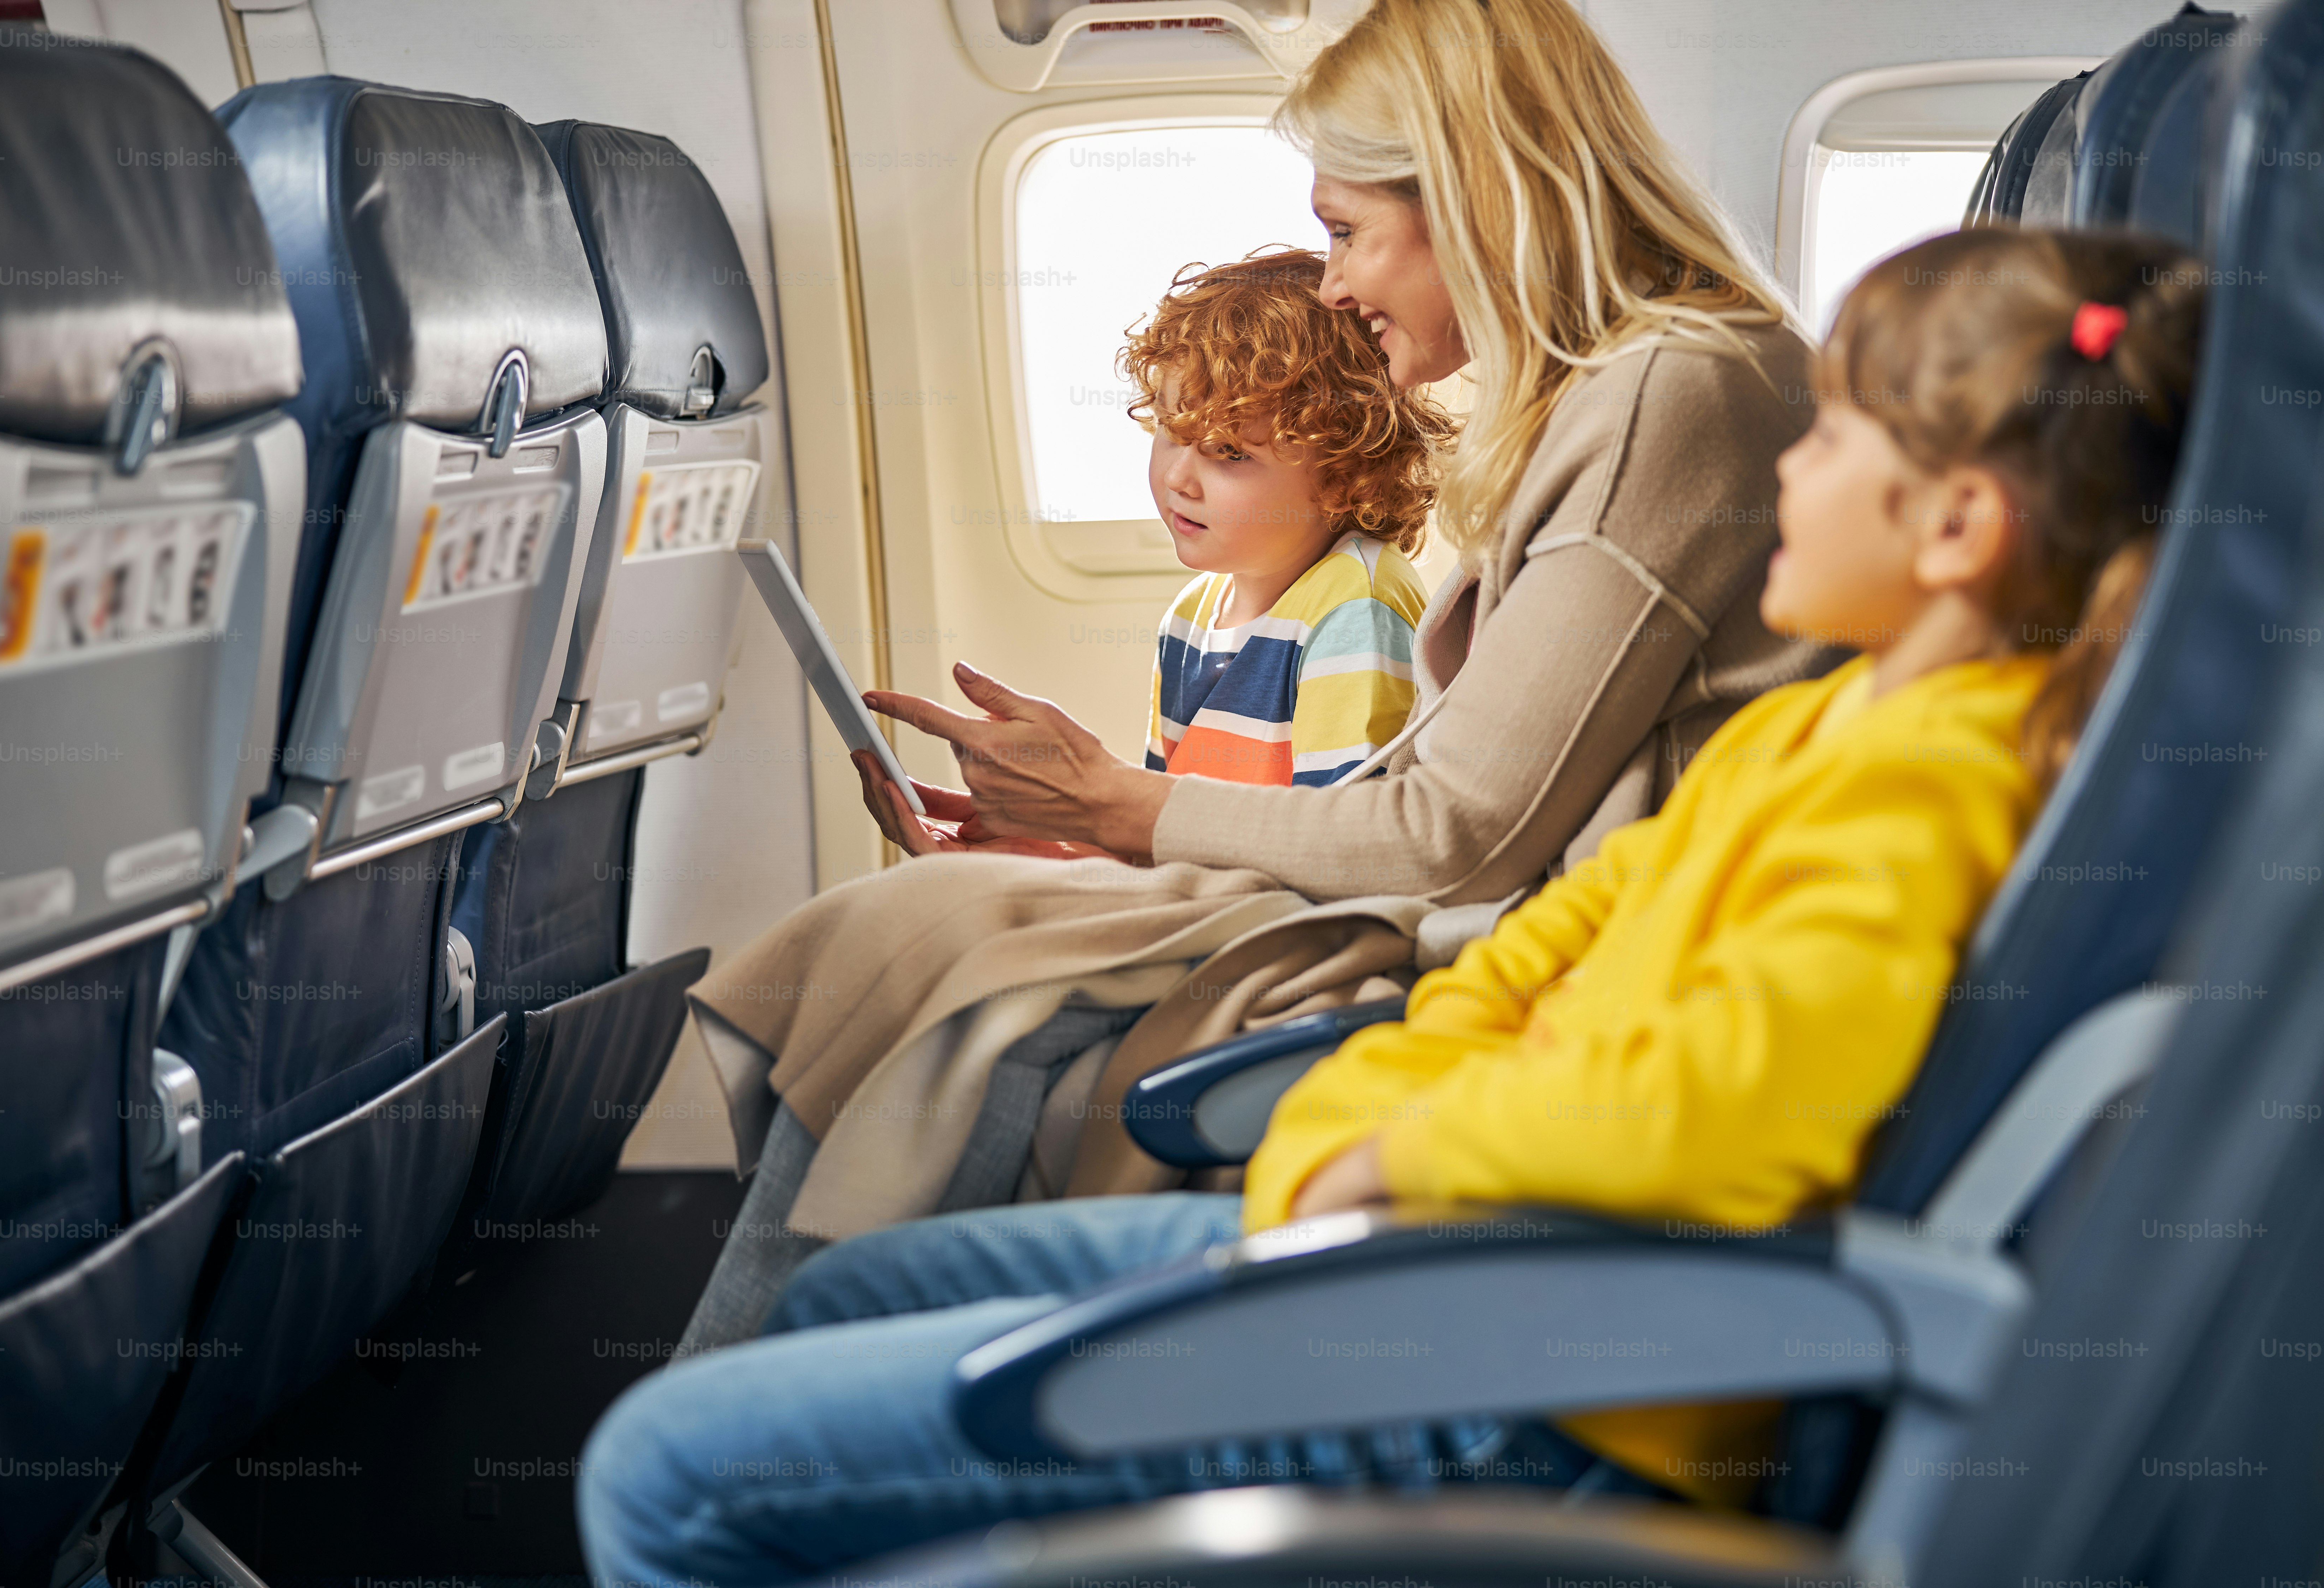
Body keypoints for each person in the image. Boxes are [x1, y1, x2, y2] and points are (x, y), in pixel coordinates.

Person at [579, 225, 2209, 1585]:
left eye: (1832, 438)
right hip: (1457, 1239)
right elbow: (1539, 969)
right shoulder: (1809, 722)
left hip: (1550, 1357)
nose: (1787, 460)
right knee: (847, 1290)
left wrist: (1390, 1158)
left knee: (665, 1474)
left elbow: (1723, 1112)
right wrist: (1355, 1136)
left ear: (1957, 524)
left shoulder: (1936, 780)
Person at [675, 0, 1826, 1354]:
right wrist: (1083, 819)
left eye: (1348, 231)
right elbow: (1461, 793)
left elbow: (1457, 837)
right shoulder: (1619, 394)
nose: (1334, 284)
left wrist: (1122, 811)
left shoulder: (1668, 394)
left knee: (971, 968)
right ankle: (804, 1384)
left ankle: (774, 1413)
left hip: (1518, 958)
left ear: (1476, 194)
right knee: (934, 915)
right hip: (1482, 911)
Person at [1135, 250, 1447, 792]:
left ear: (1342, 473)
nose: (1179, 478)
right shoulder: (1187, 619)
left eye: (1228, 452)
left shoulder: (1355, 608)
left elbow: (1338, 839)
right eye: (1172, 432)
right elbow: (1155, 819)